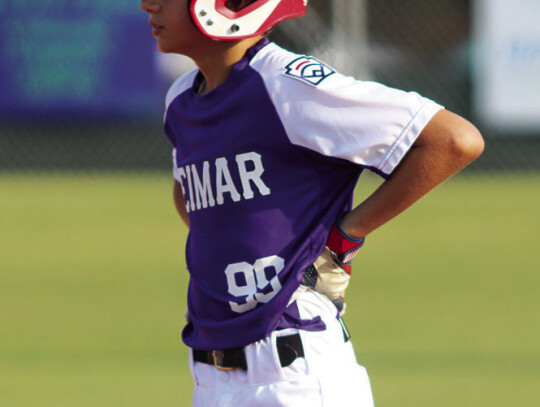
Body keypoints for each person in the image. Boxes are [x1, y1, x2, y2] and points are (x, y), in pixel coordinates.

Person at [139, 0, 485, 406]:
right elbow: (191, 198)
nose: (150, 5)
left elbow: (454, 140)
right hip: (211, 381)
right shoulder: (181, 99)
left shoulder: (287, 84)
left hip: (295, 375)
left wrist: (344, 237)